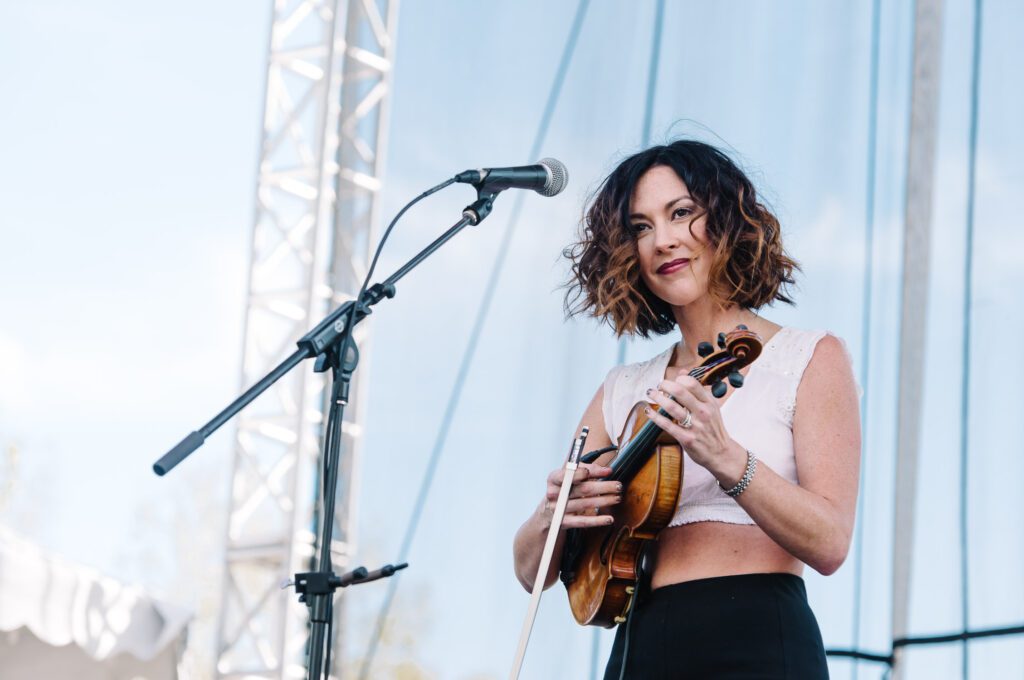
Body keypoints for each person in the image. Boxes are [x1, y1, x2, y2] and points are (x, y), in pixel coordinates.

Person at [512, 140, 861, 679]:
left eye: (681, 214)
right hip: (642, 645)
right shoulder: (624, 388)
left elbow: (831, 543)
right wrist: (555, 513)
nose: (663, 240)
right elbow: (532, 572)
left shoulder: (809, 358)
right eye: (641, 227)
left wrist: (725, 457)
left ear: (725, 219)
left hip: (762, 636)